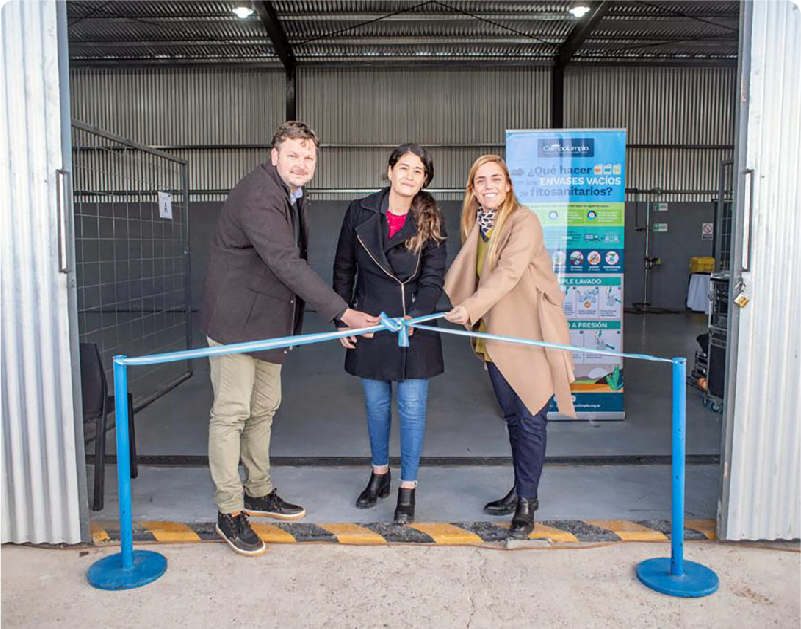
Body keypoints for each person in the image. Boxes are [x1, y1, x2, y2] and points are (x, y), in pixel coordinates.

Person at [200, 121, 378, 556]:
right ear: (274, 155)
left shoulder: (293, 194)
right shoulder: (259, 194)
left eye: (309, 156)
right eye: (293, 154)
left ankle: (258, 491)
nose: (301, 163)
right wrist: (343, 311)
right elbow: (284, 261)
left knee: (263, 409)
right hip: (236, 323)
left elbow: (286, 263)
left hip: (268, 321)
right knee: (231, 413)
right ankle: (229, 510)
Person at [444, 154, 575, 537]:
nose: (488, 186)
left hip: (529, 333)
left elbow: (509, 273)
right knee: (514, 419)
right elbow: (470, 273)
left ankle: (527, 503)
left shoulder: (524, 221)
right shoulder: (479, 227)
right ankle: (521, 487)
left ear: (508, 185)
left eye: (495, 179)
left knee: (531, 416)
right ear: (473, 189)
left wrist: (469, 308)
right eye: (480, 180)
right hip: (497, 335)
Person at [333, 144, 447, 524]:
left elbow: (433, 278)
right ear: (389, 170)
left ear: (425, 180)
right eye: (404, 168)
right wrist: (342, 318)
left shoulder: (431, 217)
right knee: (376, 407)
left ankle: (407, 487)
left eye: (419, 171)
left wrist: (416, 317)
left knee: (412, 410)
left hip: (416, 326)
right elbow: (344, 269)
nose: (410, 176)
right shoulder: (360, 211)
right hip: (370, 321)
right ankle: (379, 474)